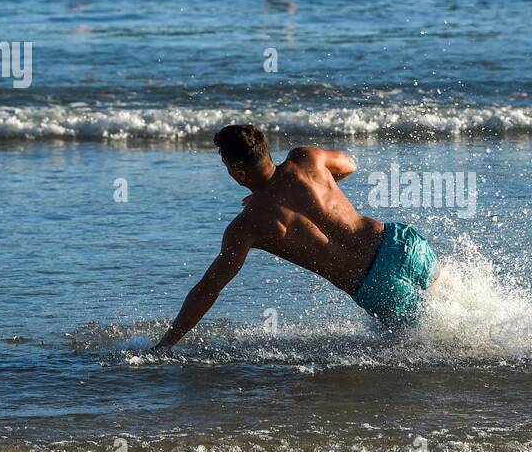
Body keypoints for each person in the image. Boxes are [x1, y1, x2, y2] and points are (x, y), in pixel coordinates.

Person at [153, 125, 440, 350]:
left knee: (439, 339)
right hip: (398, 242)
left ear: (238, 173)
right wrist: (323, 184)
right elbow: (350, 164)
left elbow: (208, 289)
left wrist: (165, 345)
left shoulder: (247, 225)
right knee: (452, 300)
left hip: (373, 285)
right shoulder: (307, 158)